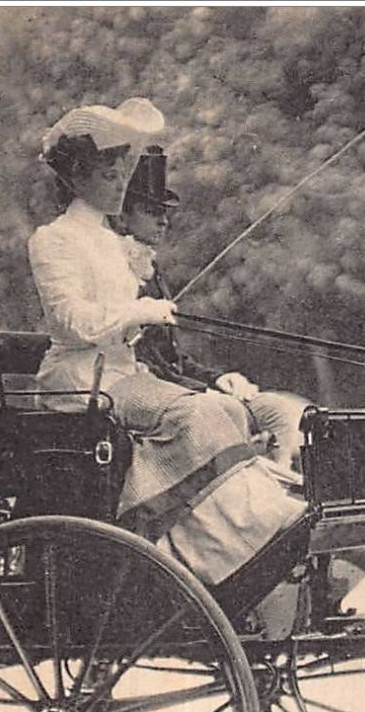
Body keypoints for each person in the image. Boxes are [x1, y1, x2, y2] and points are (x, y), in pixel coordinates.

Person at [27, 98, 309, 616]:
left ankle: (230, 536)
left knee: (224, 409)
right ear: (79, 178)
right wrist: (138, 314)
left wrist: (145, 315)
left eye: (122, 174)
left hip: (121, 374)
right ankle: (172, 541)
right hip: (80, 379)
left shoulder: (113, 243)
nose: (119, 184)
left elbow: (131, 327)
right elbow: (73, 321)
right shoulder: (53, 240)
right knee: (195, 411)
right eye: (110, 175)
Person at [113, 148, 312, 480]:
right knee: (230, 409)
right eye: (151, 211)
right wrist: (205, 389)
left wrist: (218, 378)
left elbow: (171, 357)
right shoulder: (117, 272)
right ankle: (246, 490)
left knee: (277, 410)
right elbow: (148, 366)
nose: (163, 220)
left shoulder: (150, 267)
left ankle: (277, 483)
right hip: (158, 398)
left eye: (165, 212)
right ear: (123, 216)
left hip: (186, 389)